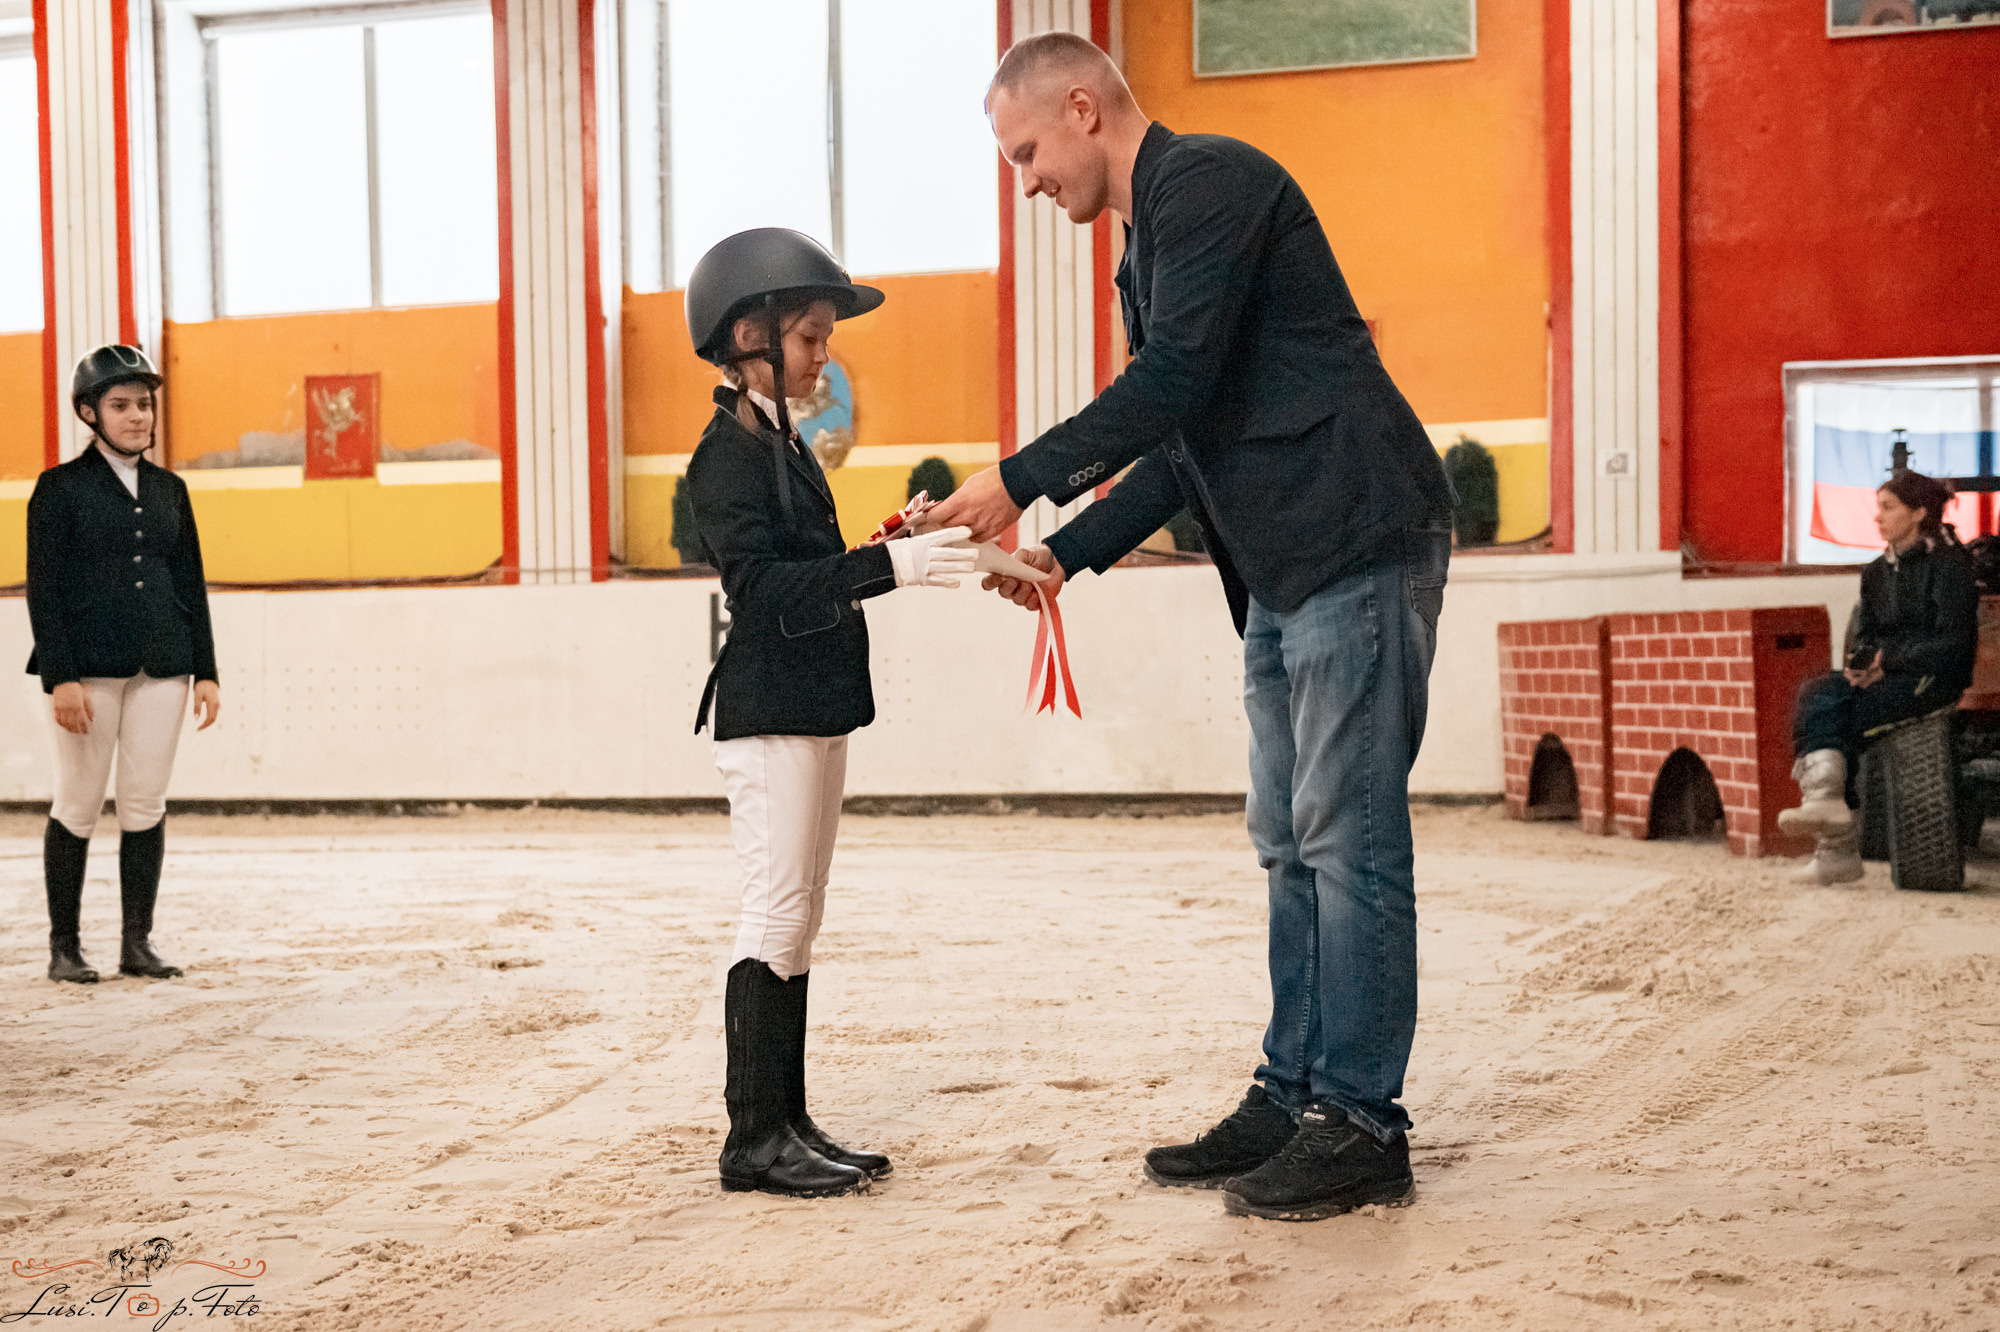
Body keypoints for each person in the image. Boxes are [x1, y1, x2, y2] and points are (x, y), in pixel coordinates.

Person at [927, 33, 1454, 1223]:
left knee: (1344, 836)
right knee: (1285, 839)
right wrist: (1063, 554)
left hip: (1350, 537)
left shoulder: (1206, 181)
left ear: (1078, 107)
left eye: (1024, 154)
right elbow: (1183, 434)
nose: (1024, 181)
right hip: (1279, 568)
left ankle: (1360, 1120)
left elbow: (1169, 382)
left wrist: (1020, 476)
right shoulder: (1147, 245)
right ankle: (1293, 1093)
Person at [682, 227, 976, 1198]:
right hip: (768, 711)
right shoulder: (723, 457)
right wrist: (887, 567)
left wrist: (895, 536)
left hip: (812, 703)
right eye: (808, 336)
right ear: (745, 338)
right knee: (773, 910)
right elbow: (765, 591)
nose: (822, 353)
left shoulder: (781, 445)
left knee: (798, 916)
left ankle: (787, 1118)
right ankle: (750, 1139)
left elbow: (813, 569)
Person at [25, 346, 221, 984]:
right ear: (90, 412)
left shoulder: (172, 489)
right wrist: (61, 678)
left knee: (144, 802)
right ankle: (65, 948)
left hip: (165, 664)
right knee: (79, 802)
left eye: (144, 404)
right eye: (121, 405)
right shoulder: (59, 489)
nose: (137, 416)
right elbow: (44, 588)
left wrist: (208, 670)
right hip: (87, 668)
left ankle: (137, 944)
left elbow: (190, 583)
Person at [1779, 470, 1978, 884]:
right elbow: (1866, 636)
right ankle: (1826, 806)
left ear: (1919, 512)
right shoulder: (1874, 572)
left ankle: (1836, 849)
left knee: (1836, 720)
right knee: (1818, 691)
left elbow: (1954, 647)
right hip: (1888, 678)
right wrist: (1861, 665)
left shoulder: (1950, 566)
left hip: (1933, 682)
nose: (1878, 518)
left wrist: (1889, 662)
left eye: (1888, 507)